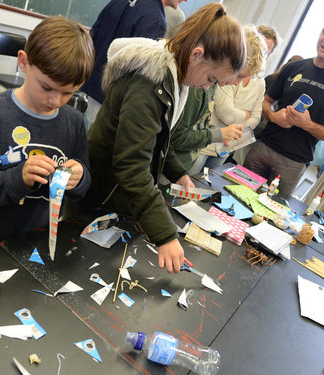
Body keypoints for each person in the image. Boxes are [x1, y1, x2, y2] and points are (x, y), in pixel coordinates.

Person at [87, 3, 246, 273]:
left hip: (117, 193)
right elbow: (132, 166)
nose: (207, 86)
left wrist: (177, 172)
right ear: (197, 55)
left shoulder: (173, 77)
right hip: (100, 194)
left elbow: (158, 136)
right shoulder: (148, 83)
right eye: (210, 78)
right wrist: (165, 235)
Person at [0, 16, 94, 255]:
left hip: (37, 240)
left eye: (68, 93)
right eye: (46, 87)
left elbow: (83, 180)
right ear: (24, 62)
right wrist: (18, 179)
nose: (55, 101)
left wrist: (79, 178)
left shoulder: (74, 122)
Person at [244, 12, 324, 196]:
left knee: (268, 215)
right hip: (262, 147)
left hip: (293, 163)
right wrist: (273, 116)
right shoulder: (293, 68)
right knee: (235, 199)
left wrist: (307, 124)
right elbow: (264, 102)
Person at [81, 0, 188, 127]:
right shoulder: (155, 20)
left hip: (95, 88)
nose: (187, 0)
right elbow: (140, 78)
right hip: (115, 104)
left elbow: (93, 36)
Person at [189, 24, 267, 173]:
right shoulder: (206, 83)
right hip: (202, 145)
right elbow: (226, 113)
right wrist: (245, 114)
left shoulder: (258, 82)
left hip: (225, 145)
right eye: (239, 75)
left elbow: (255, 119)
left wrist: (233, 129)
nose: (235, 82)